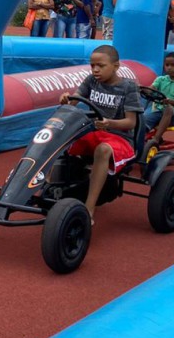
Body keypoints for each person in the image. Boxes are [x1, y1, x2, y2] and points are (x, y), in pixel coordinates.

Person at [57, 44, 142, 222]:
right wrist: (66, 99)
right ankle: (52, 192)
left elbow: (131, 122)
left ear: (116, 66)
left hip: (120, 138)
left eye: (101, 66)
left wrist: (109, 123)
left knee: (102, 150)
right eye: (92, 65)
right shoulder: (91, 81)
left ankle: (89, 208)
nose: (95, 69)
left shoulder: (128, 87)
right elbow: (72, 102)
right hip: (95, 132)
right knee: (59, 140)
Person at [144, 51, 174, 149]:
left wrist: (169, 101)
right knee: (142, 114)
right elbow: (150, 90)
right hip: (157, 111)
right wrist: (140, 89)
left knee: (169, 109)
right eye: (167, 65)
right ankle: (138, 135)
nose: (169, 68)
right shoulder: (160, 80)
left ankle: (156, 139)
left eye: (173, 65)